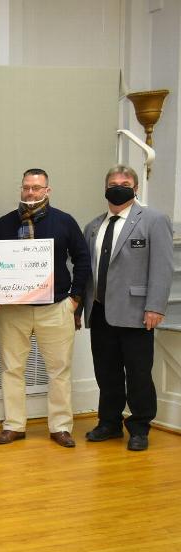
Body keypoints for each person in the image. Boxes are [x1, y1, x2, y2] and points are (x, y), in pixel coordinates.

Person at [0, 168, 90, 448]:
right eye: (26, 187)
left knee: (59, 371)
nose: (30, 192)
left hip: (55, 307)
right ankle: (14, 425)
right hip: (13, 310)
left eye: (36, 188)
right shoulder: (4, 224)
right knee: (12, 369)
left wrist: (75, 298)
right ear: (21, 189)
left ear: (47, 190)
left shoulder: (64, 221)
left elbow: (82, 260)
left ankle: (60, 427)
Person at [82, 165, 175, 451]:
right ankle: (109, 423)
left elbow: (162, 267)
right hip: (100, 311)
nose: (118, 188)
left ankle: (139, 427)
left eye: (124, 184)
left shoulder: (154, 220)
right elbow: (87, 272)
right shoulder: (93, 226)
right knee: (106, 372)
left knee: (138, 374)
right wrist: (79, 309)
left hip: (137, 312)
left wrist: (155, 306)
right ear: (105, 188)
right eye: (113, 183)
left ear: (136, 189)